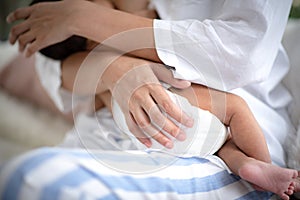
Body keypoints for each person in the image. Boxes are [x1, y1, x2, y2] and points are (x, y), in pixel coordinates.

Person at [4, 0, 300, 199]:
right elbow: (52, 64)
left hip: (168, 141)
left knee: (34, 176)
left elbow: (242, 53)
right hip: (167, 121)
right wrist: (116, 68)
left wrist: (81, 19)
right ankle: (255, 167)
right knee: (226, 129)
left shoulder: (90, 28)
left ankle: (252, 168)